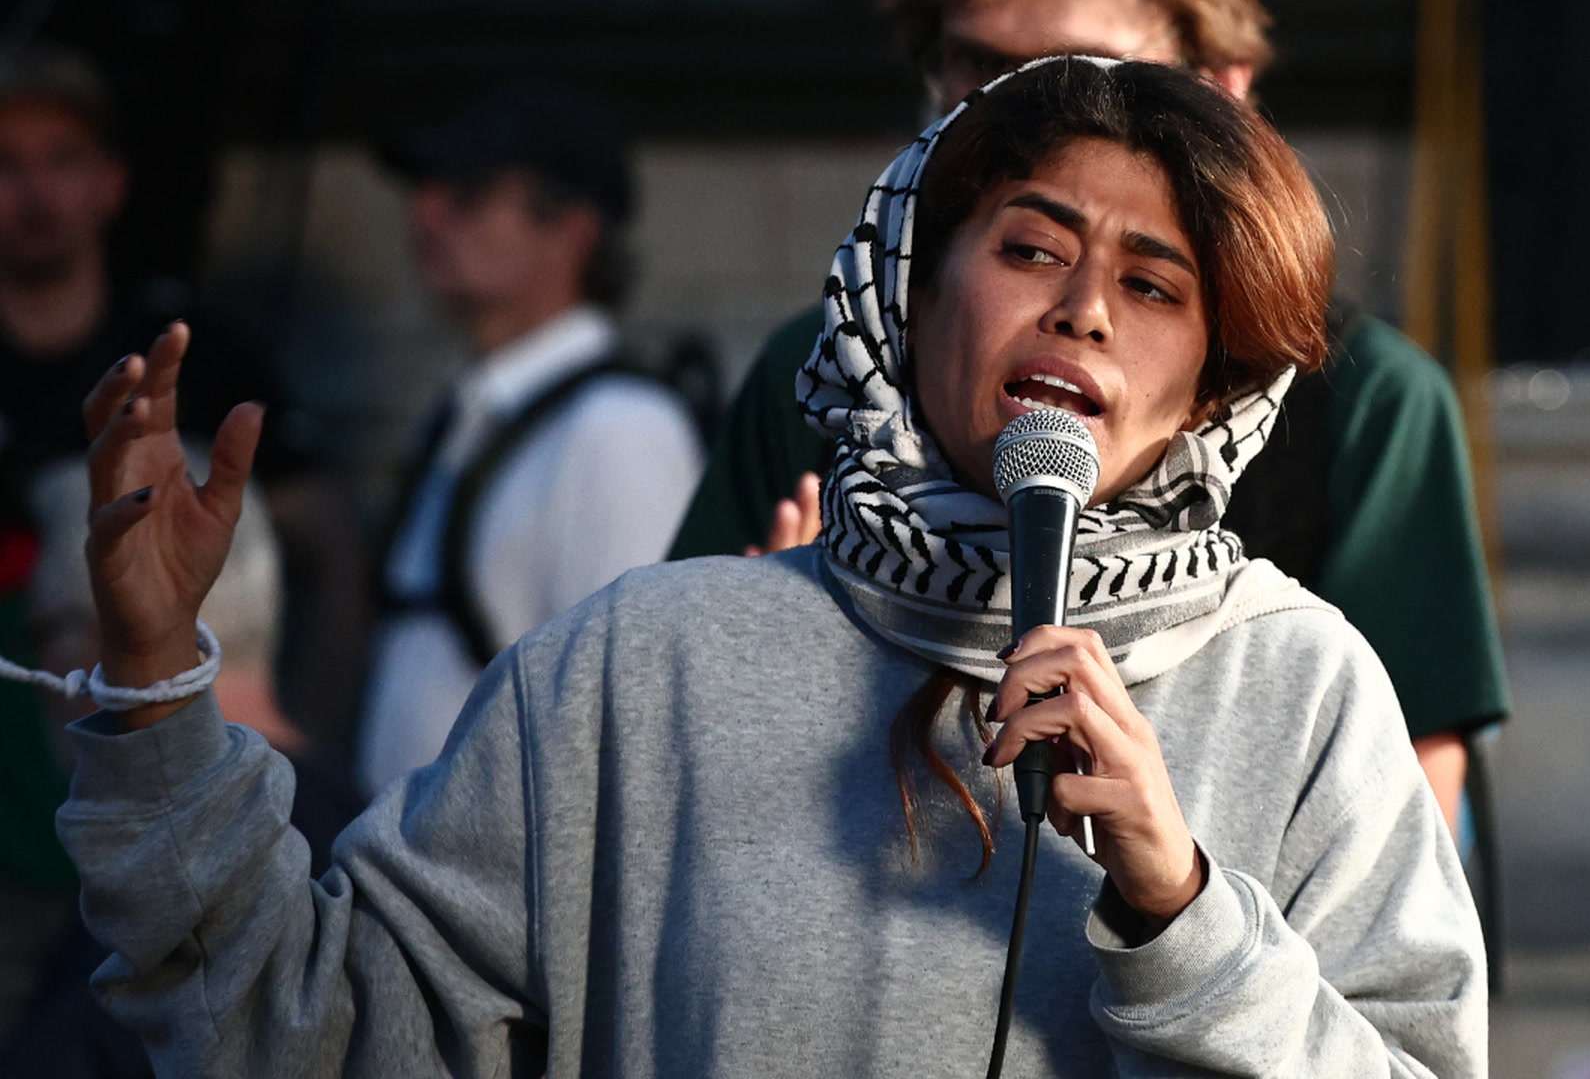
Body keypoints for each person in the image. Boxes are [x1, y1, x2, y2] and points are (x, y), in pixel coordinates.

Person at [55, 60, 1484, 1075]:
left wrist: (1181, 915)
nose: (1085, 310)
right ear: (909, 295)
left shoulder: (1303, 686)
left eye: (1155, 286)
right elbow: (310, 1034)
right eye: (1032, 248)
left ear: (1211, 391)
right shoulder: (640, 664)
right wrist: (152, 687)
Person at [669, 0, 1510, 837]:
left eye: (1074, 70)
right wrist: (786, 634)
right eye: (977, 67)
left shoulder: (1362, 418)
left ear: (1221, 90)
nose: (1019, 105)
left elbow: (1395, 863)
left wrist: (1179, 905)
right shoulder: (814, 370)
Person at [355, 83, 705, 796]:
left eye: (469, 193)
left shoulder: (620, 430)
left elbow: (638, 727)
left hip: (517, 898)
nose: (424, 213)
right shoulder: (475, 415)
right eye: (423, 188)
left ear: (573, 229)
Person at [0, 454, 363, 1077]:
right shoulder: (380, 837)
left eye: (40, 633)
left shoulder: (168, 881)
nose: (35, 679)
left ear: (110, 638)